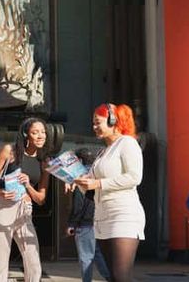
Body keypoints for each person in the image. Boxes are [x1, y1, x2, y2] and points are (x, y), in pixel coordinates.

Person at [74, 103, 145, 282]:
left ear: (113, 121)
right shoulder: (103, 152)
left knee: (122, 277)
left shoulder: (127, 143)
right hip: (102, 218)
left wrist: (98, 182)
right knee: (112, 277)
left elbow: (134, 177)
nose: (94, 127)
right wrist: (78, 183)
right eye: (93, 123)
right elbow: (91, 186)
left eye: (98, 122)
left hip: (123, 214)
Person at [0, 117, 50, 282]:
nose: (40, 136)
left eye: (43, 132)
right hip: (5, 208)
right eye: (35, 132)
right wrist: (0, 193)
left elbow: (41, 199)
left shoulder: (44, 161)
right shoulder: (10, 151)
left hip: (26, 211)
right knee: (1, 266)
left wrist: (28, 185)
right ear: (26, 134)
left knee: (34, 265)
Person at [66, 148, 110, 282]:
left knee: (86, 257)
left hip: (85, 223)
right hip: (98, 220)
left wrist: (72, 223)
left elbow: (79, 204)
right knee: (95, 253)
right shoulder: (97, 174)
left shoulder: (81, 177)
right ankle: (111, 277)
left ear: (78, 161)